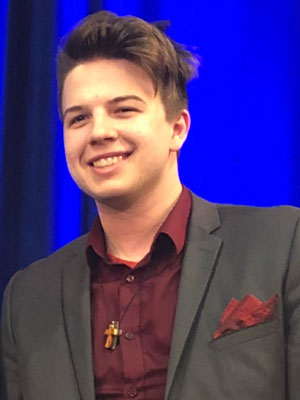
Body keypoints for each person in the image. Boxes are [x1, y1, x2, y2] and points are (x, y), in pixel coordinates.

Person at [1, 10, 300, 400]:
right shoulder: (27, 297)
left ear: (178, 128)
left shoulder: (280, 245)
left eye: (123, 109)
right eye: (78, 119)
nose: (100, 132)